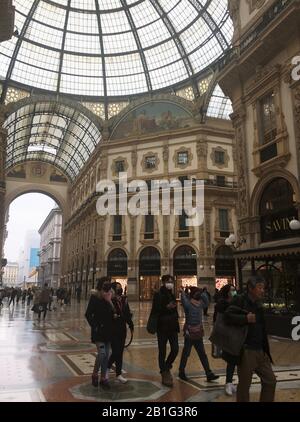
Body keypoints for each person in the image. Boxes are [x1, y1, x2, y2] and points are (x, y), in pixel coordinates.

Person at [224, 275, 276, 402]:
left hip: (261, 350)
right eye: (259, 288)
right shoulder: (240, 300)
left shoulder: (258, 304)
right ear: (250, 288)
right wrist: (245, 319)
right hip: (246, 351)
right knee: (244, 386)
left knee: (270, 380)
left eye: (263, 288)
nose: (262, 290)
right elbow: (227, 316)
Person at [179, 287, 219, 382]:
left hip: (198, 333)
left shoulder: (200, 304)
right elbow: (184, 299)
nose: (198, 295)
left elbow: (207, 301)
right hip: (189, 333)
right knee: (186, 353)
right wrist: (183, 292)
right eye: (197, 293)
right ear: (193, 294)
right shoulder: (188, 304)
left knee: (202, 354)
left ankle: (208, 373)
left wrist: (202, 292)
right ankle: (181, 371)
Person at [85, 277, 114, 390]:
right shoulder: (95, 297)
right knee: (102, 353)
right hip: (98, 331)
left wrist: (109, 301)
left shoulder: (110, 297)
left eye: (109, 284)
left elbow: (114, 312)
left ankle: (103, 378)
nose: (107, 286)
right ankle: (95, 374)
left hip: (108, 330)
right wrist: (95, 326)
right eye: (105, 284)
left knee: (107, 354)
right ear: (100, 285)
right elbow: (88, 314)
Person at [150, 275, 179, 387]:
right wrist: (166, 308)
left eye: (171, 281)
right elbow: (155, 310)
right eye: (168, 281)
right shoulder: (158, 294)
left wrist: (173, 309)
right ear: (163, 282)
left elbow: (174, 309)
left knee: (175, 349)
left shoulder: (172, 293)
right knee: (162, 351)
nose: (170, 283)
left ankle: (166, 367)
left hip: (172, 327)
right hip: (162, 327)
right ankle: (164, 373)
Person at [213, 284, 238, 396]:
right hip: (227, 335)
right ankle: (228, 382)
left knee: (236, 360)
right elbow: (218, 321)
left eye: (235, 289)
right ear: (227, 292)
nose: (234, 291)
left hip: (236, 334)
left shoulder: (237, 302)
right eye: (232, 290)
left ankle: (232, 382)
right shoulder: (222, 305)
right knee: (231, 359)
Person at [107, 282, 134, 384]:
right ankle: (107, 367)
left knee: (120, 352)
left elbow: (127, 313)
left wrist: (131, 324)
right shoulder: (110, 300)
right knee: (116, 352)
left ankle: (118, 374)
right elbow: (108, 314)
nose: (120, 289)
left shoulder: (124, 300)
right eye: (118, 288)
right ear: (113, 289)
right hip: (113, 329)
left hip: (122, 329)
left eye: (121, 287)